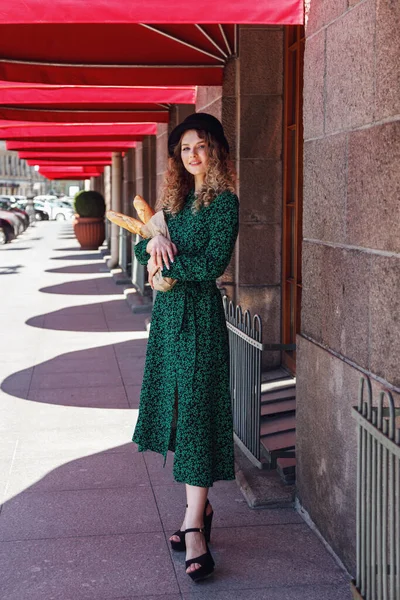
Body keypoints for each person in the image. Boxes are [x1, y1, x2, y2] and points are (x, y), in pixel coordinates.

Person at [132, 112, 239, 582]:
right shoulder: (173, 204)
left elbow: (214, 262)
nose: (192, 155)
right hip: (168, 321)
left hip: (200, 321)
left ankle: (193, 523)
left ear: (216, 150)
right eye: (185, 148)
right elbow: (142, 247)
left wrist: (169, 267)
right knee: (177, 412)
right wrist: (153, 246)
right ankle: (203, 507)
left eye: (201, 146)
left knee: (196, 416)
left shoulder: (224, 204)